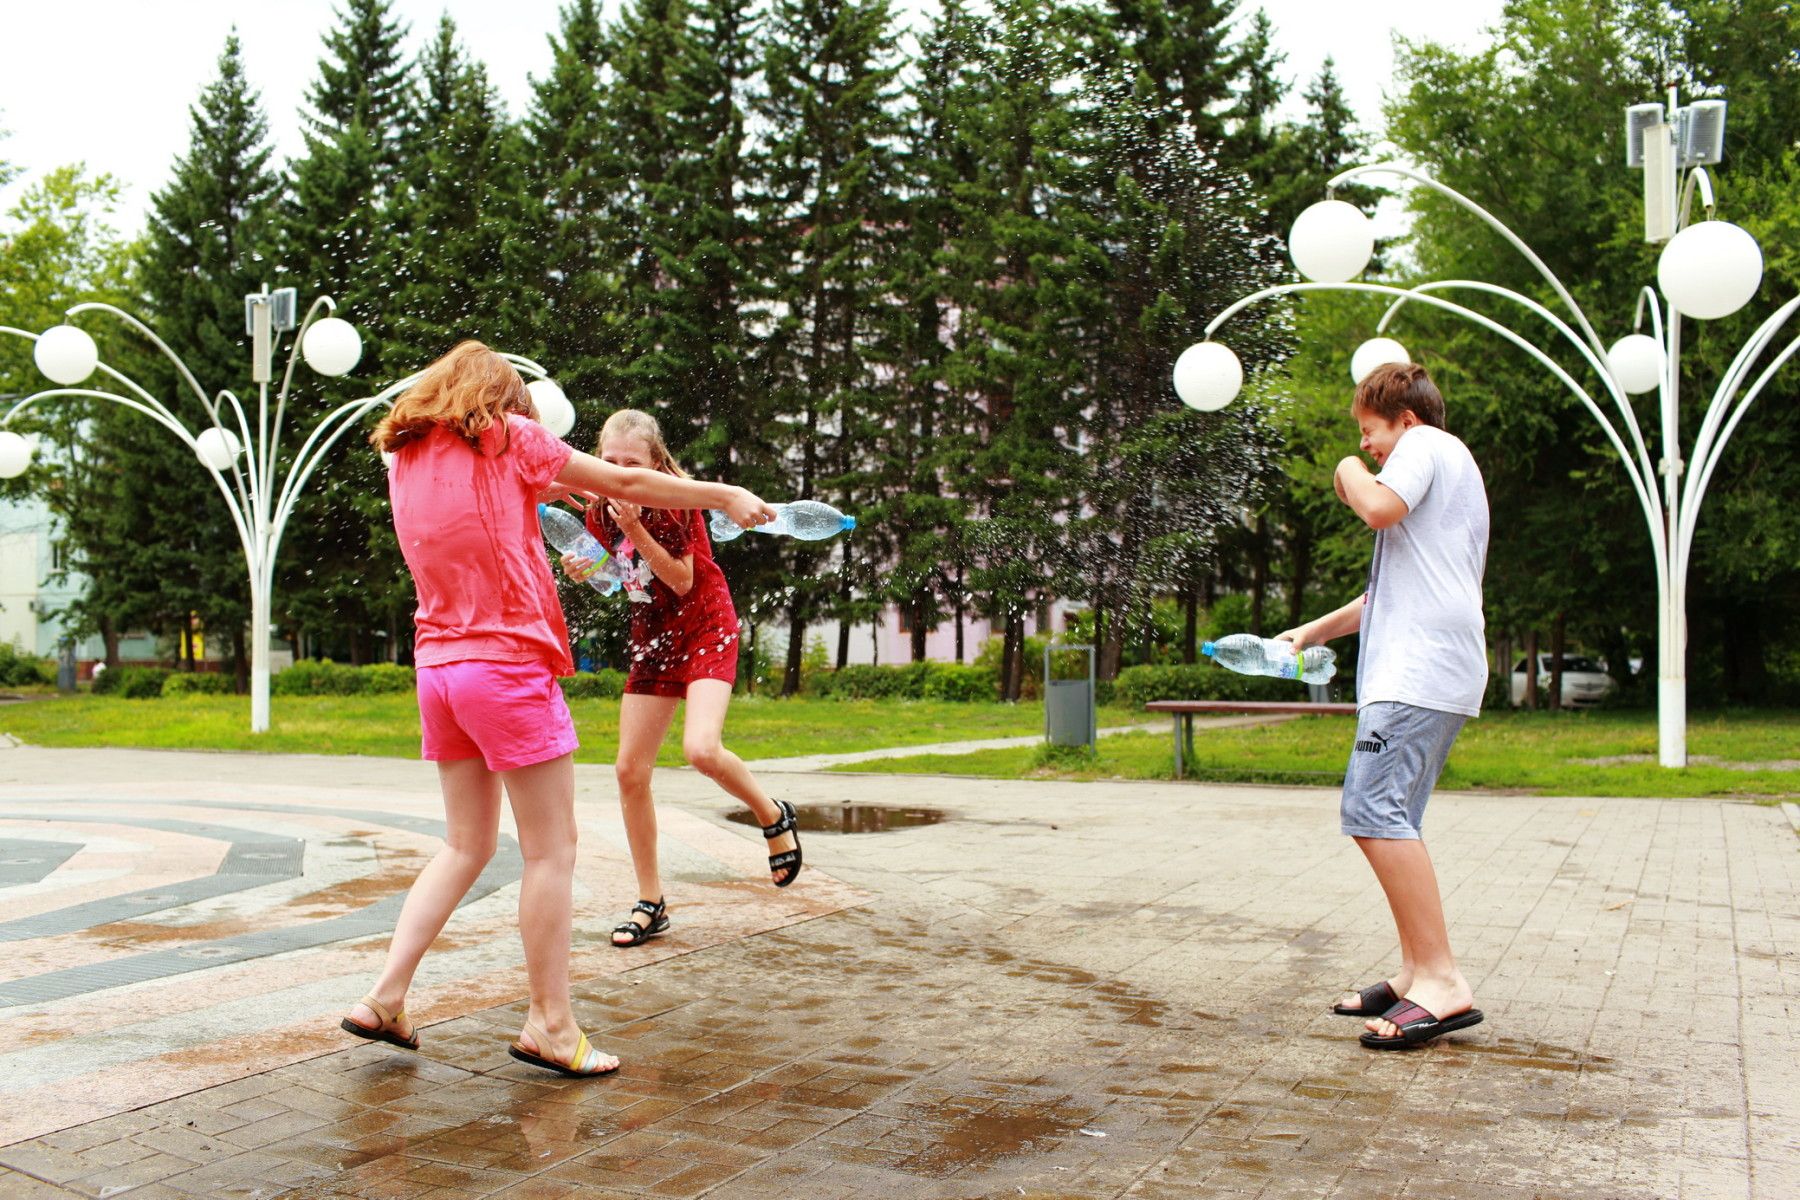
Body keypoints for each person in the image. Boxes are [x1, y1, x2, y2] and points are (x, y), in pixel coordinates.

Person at [340, 343, 774, 1076]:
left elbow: (473, 514)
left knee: (465, 844)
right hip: (506, 667)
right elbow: (625, 478)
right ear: (503, 401)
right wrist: (723, 495)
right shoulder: (512, 435)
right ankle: (550, 1023)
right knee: (550, 851)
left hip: (439, 670)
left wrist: (544, 491)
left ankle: (385, 997)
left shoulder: (409, 455)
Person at [1277, 361, 1490, 1051]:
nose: (1366, 446)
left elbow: (1374, 506)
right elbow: (1383, 599)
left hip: (1416, 676)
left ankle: (1441, 981)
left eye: (1369, 432)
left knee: (1372, 813)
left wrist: (1344, 469)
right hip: (1431, 672)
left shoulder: (1426, 447)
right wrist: (1309, 632)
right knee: (1393, 818)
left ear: (1406, 419)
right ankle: (1413, 973)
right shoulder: (1444, 477)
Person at [558, 409, 802, 950]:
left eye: (631, 463)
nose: (617, 472)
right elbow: (617, 571)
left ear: (655, 463)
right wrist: (589, 566)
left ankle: (772, 814)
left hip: (705, 625)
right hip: (652, 638)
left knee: (701, 749)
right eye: (609, 462)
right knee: (628, 770)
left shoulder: (679, 500)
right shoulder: (600, 506)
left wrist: (635, 527)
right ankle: (651, 901)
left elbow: (681, 578)